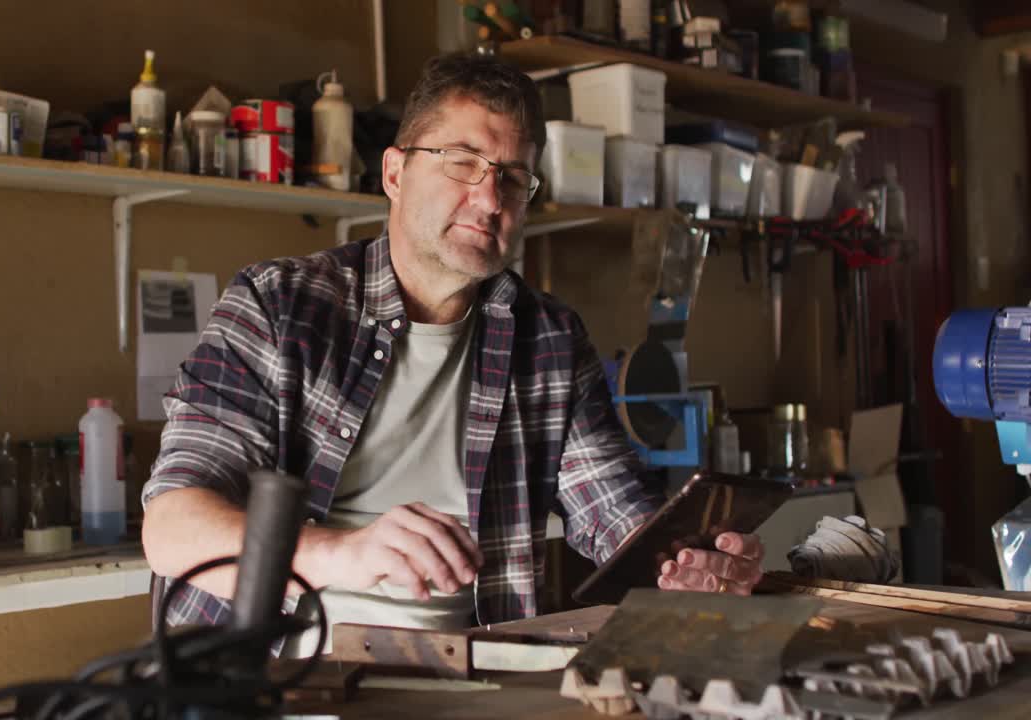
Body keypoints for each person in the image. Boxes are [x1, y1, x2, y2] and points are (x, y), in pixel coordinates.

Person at [141, 53, 764, 645]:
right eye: (463, 162)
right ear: (394, 173)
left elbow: (614, 509)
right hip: (278, 675)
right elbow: (173, 527)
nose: (490, 199)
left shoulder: (548, 339)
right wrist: (341, 552)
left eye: (512, 178)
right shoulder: (278, 306)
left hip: (473, 669)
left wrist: (687, 561)